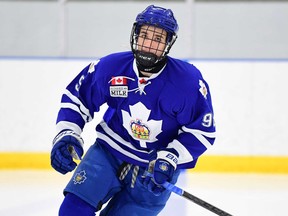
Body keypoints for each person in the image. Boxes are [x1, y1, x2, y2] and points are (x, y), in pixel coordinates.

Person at [51, 5, 216, 216]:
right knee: (73, 211)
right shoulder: (111, 67)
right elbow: (77, 98)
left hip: (154, 169)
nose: (148, 44)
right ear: (135, 35)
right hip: (109, 152)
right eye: (144, 35)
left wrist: (171, 157)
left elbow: (202, 132)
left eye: (157, 39)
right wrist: (67, 132)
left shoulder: (188, 83)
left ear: (168, 44)